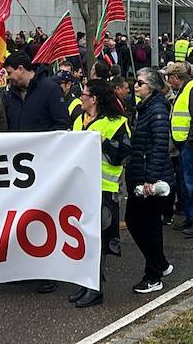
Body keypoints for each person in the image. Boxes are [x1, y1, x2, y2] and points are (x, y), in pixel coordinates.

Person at [66, 79, 131, 308]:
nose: (80, 97)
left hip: (104, 190)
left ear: (93, 99)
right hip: (80, 190)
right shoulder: (78, 121)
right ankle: (85, 283)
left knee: (99, 240)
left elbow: (124, 154)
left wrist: (104, 143)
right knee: (82, 238)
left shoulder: (116, 123)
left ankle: (96, 289)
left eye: (83, 94)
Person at [127, 68, 175, 295]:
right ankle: (161, 263)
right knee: (137, 222)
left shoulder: (156, 110)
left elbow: (158, 146)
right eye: (135, 81)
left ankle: (154, 274)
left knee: (147, 225)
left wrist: (150, 179)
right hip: (140, 173)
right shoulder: (144, 108)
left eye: (140, 82)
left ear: (152, 87)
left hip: (149, 178)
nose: (135, 85)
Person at [163, 61, 193, 238]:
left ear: (176, 77)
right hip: (188, 144)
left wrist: (190, 140)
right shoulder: (188, 89)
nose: (168, 81)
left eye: (169, 77)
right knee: (189, 182)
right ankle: (192, 218)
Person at [3, 52, 70, 131]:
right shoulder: (11, 94)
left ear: (20, 69)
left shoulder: (50, 89)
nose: (8, 77)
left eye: (10, 73)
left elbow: (62, 123)